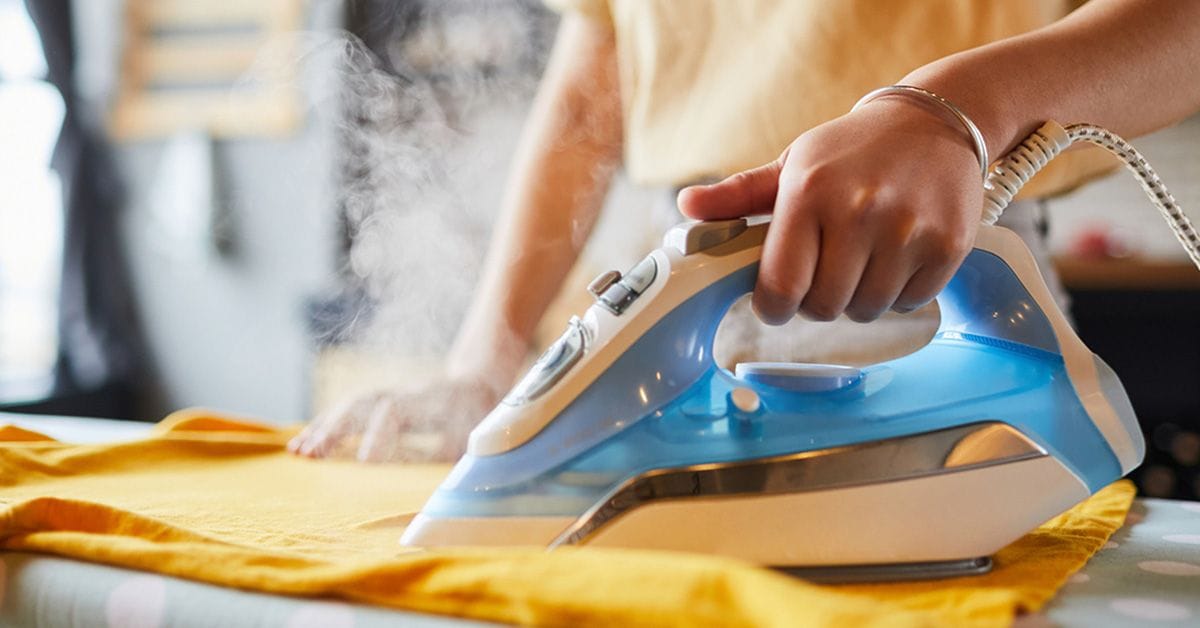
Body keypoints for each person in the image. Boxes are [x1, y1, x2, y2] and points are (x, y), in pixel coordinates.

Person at [290, 0, 1200, 462]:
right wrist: (486, 360)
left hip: (941, 238)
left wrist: (949, 116)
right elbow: (589, 92)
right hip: (681, 262)